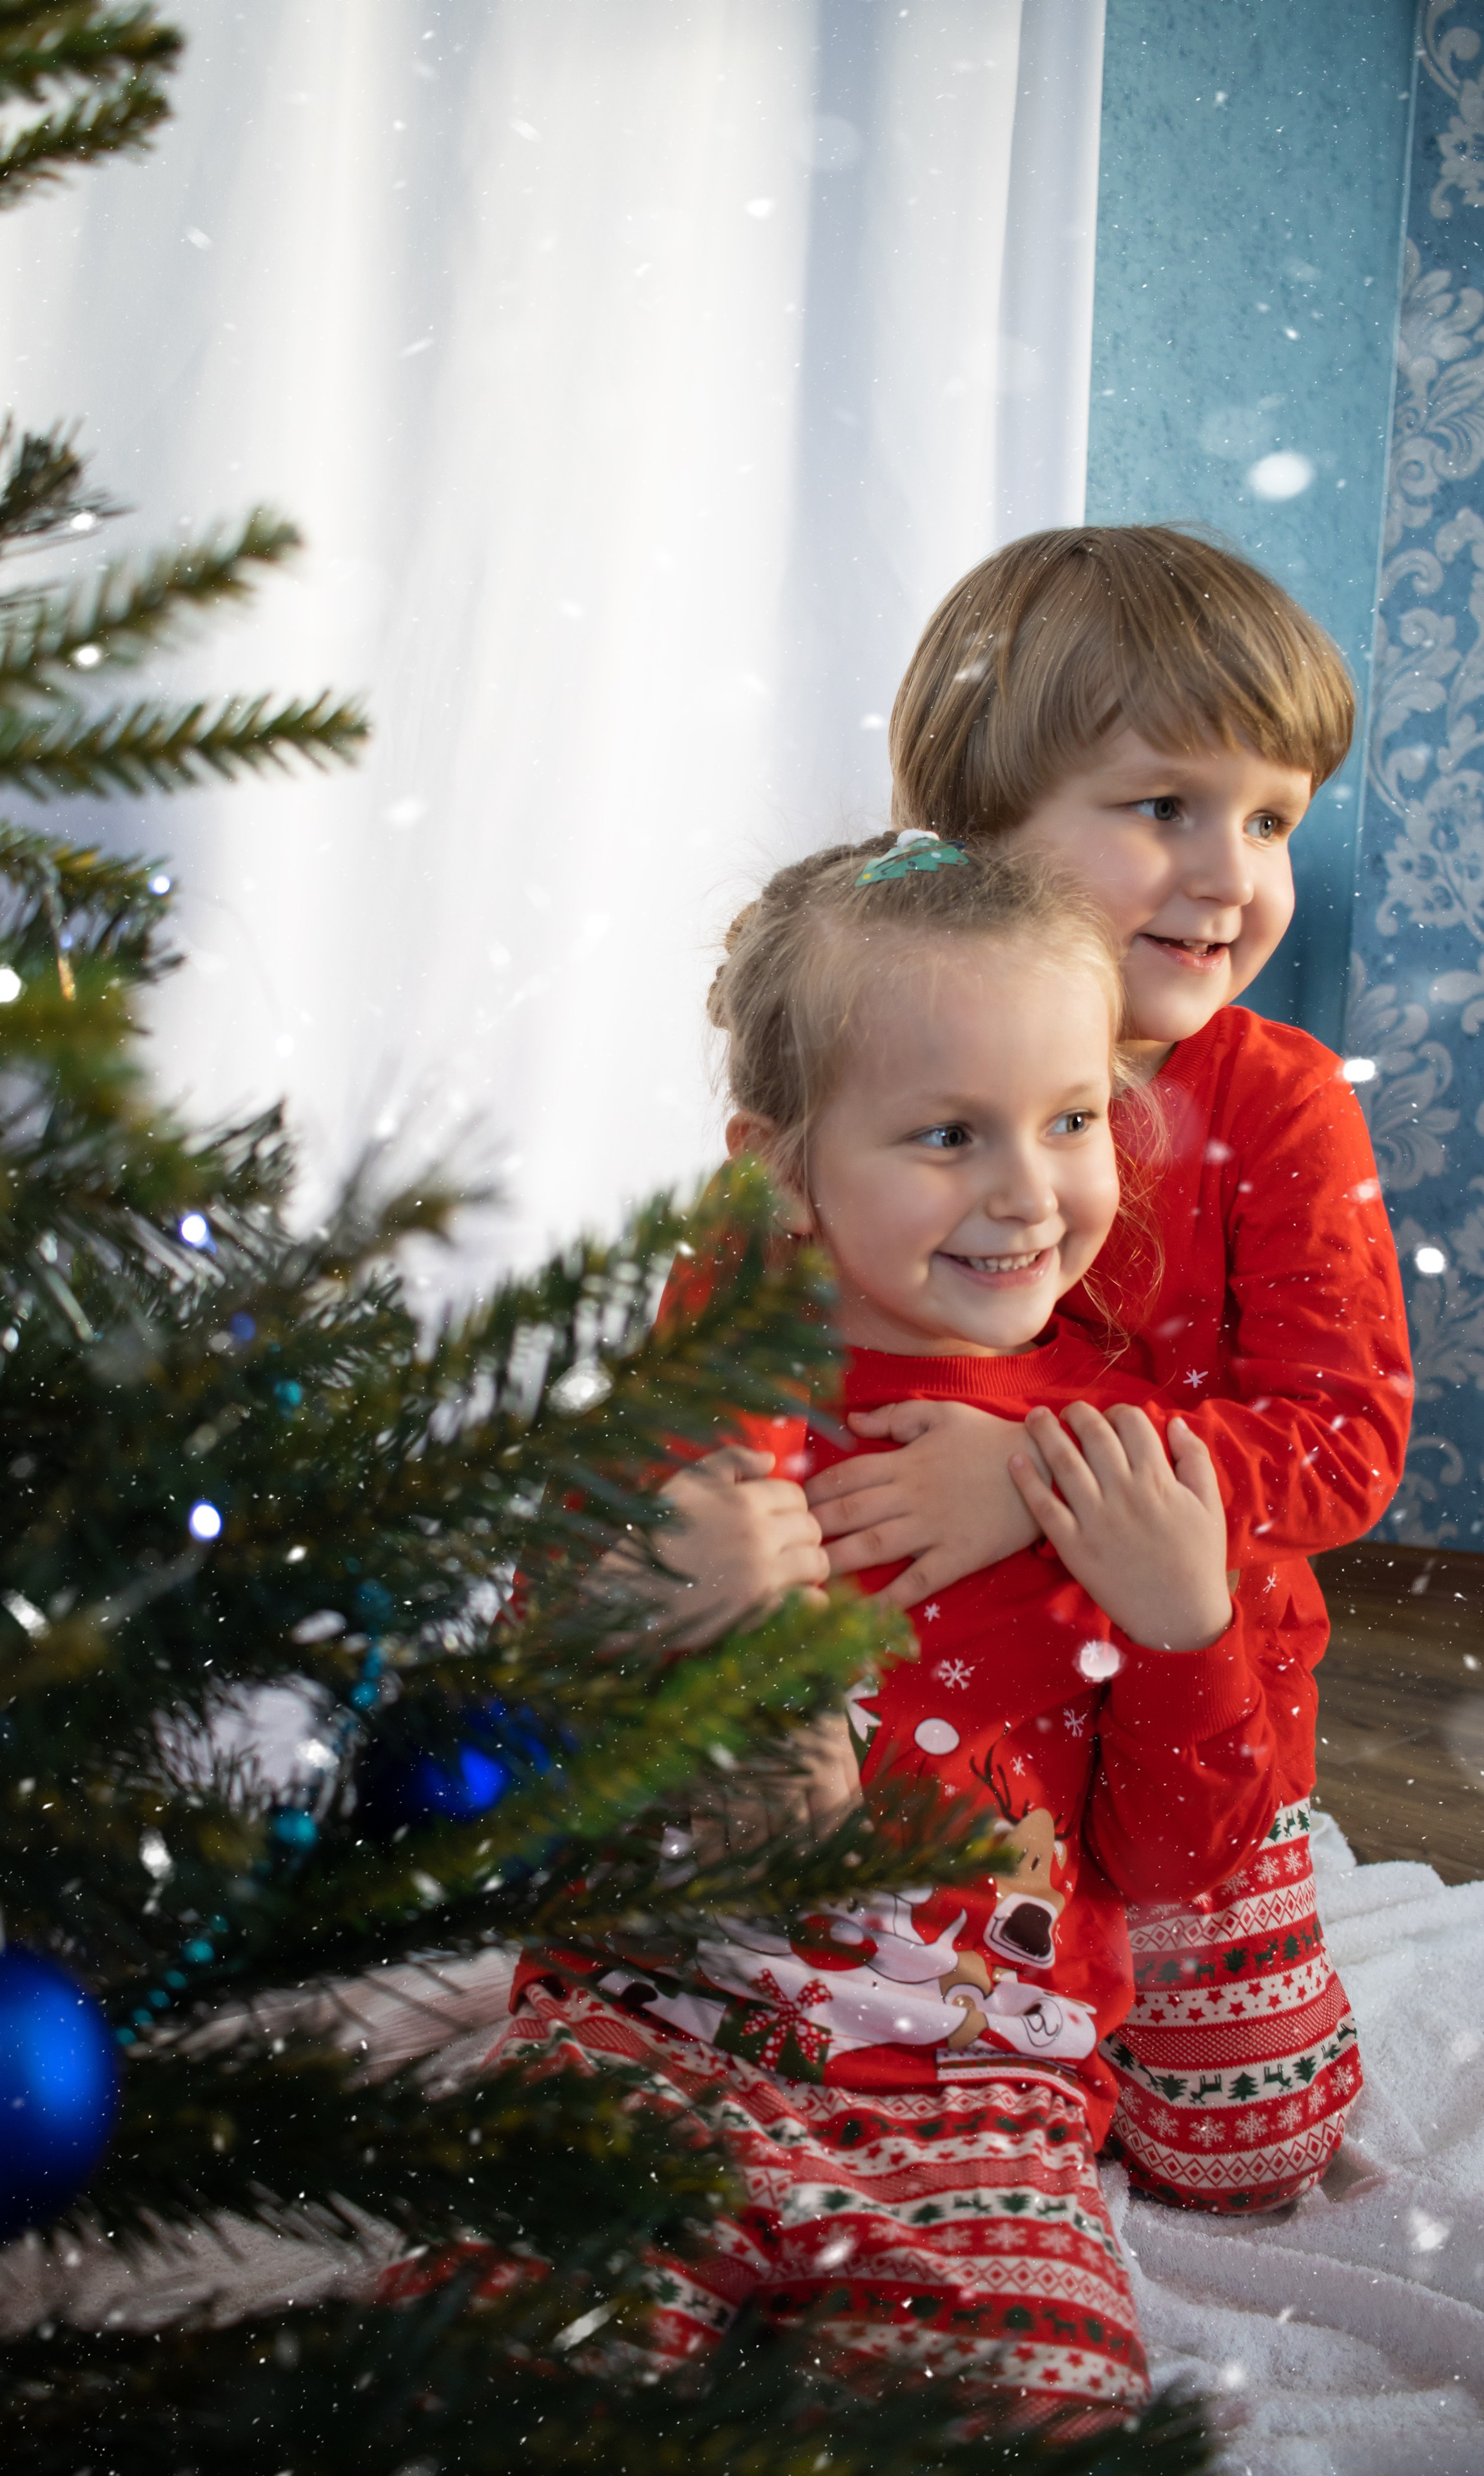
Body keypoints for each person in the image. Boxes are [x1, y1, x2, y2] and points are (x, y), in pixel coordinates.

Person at [491, 838, 1280, 2419]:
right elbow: (505, 1773)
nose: (1024, 1192)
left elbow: (1182, 1857)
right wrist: (638, 1608)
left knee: (1015, 2419)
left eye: (1069, 1121)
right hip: (644, 2026)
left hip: (984, 2083)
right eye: (944, 1134)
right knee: (498, 2375)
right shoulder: (685, 1422)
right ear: (776, 1172)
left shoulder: (1125, 1464)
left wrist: (1193, 1626)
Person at [804, 526, 1411, 2214]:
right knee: (893, 2101)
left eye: (1274, 816)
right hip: (943, 1729)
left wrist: (1036, 1472)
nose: (1233, 874)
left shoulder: (1277, 1101)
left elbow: (1344, 1441)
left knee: (1243, 2152)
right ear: (984, 828)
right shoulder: (873, 1049)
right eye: (1166, 807)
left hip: (1204, 1705)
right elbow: (743, 1314)